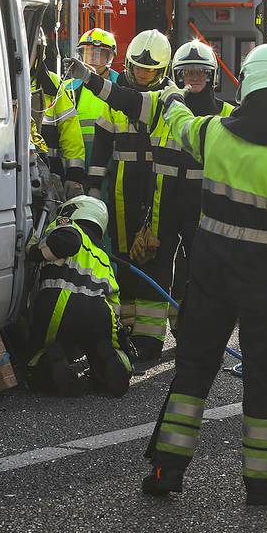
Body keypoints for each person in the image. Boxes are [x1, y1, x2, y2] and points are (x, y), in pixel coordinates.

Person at [140, 42, 267, 506]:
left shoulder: (216, 134)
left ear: (248, 84)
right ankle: (261, 483)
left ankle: (165, 469)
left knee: (192, 371)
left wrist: (172, 98)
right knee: (263, 380)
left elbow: (182, 125)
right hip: (265, 288)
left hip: (209, 277)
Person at [69, 40, 234, 342]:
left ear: (212, 76)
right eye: (187, 72)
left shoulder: (227, 114)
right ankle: (147, 338)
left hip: (202, 205)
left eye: (200, 72)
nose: (194, 78)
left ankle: (193, 331)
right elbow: (123, 98)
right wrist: (90, 78)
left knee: (197, 269)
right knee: (153, 265)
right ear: (177, 74)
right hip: (162, 203)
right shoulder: (161, 103)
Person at [87, 29, 173, 360]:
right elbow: (101, 148)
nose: (142, 75)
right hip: (122, 187)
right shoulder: (115, 100)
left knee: (153, 257)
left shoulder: (169, 97)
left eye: (150, 70)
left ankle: (150, 339)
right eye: (138, 68)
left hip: (158, 185)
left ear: (162, 70)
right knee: (124, 259)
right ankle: (125, 330)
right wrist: (93, 188)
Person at [24, 195, 134, 397]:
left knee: (38, 352)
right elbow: (114, 298)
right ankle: (109, 364)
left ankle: (50, 364)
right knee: (101, 346)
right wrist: (114, 335)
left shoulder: (67, 225)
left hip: (58, 305)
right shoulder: (102, 256)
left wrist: (33, 250)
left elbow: (68, 240)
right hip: (99, 312)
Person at [31, 29, 86, 197]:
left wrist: (74, 175)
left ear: (40, 52)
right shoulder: (3, 84)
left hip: (51, 179)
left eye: (30, 49)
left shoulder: (53, 84)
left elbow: (70, 131)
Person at [62, 28, 120, 167]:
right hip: (75, 162)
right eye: (88, 53)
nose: (93, 59)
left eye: (99, 54)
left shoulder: (121, 86)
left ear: (110, 57)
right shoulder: (68, 87)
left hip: (111, 161)